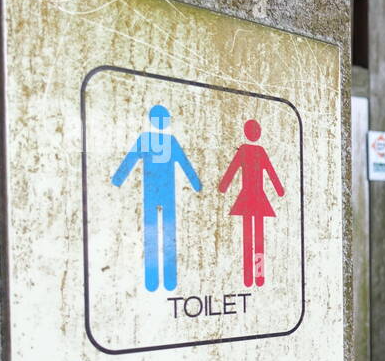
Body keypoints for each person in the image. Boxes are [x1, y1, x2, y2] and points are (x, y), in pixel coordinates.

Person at [112, 104, 202, 292]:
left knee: (156, 231)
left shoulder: (151, 140)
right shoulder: (167, 141)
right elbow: (185, 165)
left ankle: (157, 280)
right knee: (163, 232)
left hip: (154, 191)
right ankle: (164, 279)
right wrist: (196, 183)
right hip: (162, 191)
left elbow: (129, 161)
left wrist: (118, 179)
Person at [218, 119, 285, 287]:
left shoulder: (253, 151)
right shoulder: (250, 151)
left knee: (254, 239)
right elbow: (234, 169)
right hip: (253, 198)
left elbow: (269, 170)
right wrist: (279, 189)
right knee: (253, 239)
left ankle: (255, 275)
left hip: (251, 198)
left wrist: (224, 185)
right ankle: (253, 275)